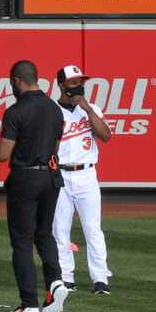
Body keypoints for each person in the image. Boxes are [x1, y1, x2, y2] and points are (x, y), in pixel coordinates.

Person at [0, 60, 69, 312]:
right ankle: (56, 281)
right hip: (51, 176)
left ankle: (29, 303)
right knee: (45, 234)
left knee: (22, 242)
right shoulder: (54, 109)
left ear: (17, 81)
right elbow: (57, 147)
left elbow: (3, 154)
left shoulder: (16, 111)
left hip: (25, 177)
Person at [50, 64, 115, 295]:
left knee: (93, 229)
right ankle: (66, 278)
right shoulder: (51, 110)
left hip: (87, 173)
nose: (79, 86)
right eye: (73, 82)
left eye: (81, 82)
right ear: (62, 85)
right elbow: (49, 146)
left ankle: (100, 279)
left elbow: (105, 135)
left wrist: (87, 109)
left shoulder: (91, 108)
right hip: (61, 174)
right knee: (60, 228)